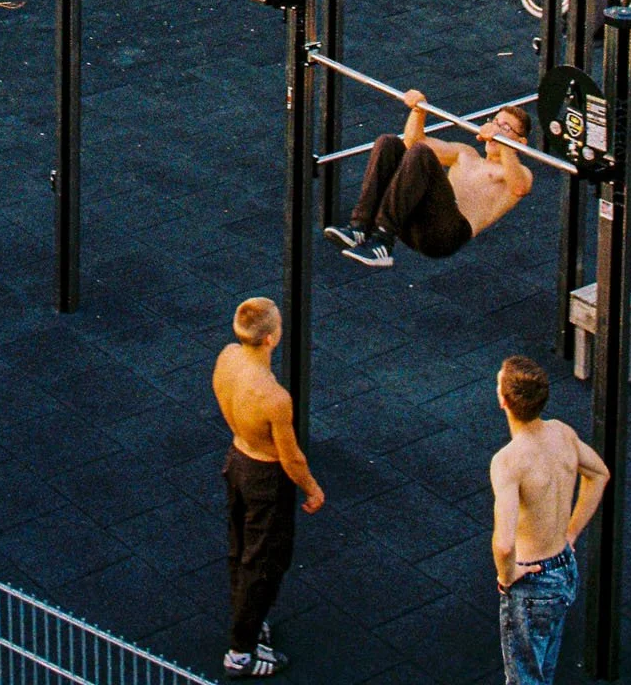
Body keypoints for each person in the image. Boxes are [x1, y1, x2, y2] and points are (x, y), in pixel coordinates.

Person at [212, 297, 323, 678]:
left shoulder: (227, 358)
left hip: (236, 459)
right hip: (265, 476)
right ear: (272, 339)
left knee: (241, 547)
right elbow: (291, 458)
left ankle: (249, 618)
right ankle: (240, 653)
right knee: (266, 563)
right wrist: (312, 490)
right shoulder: (275, 399)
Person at [490, 356, 608, 685]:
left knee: (525, 678)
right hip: (564, 567)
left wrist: (508, 574)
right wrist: (570, 534)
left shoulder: (509, 462)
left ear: (504, 400)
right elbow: (599, 474)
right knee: (545, 668)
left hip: (533, 580)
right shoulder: (563, 433)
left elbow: (503, 543)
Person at [326, 88, 533, 268]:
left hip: (445, 235)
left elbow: (520, 188)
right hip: (416, 223)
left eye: (505, 128)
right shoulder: (466, 153)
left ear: (521, 142)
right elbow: (413, 142)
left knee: (422, 155)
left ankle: (383, 239)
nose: (496, 128)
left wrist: (504, 144)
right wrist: (418, 110)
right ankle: (360, 226)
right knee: (388, 143)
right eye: (495, 122)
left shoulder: (516, 172)